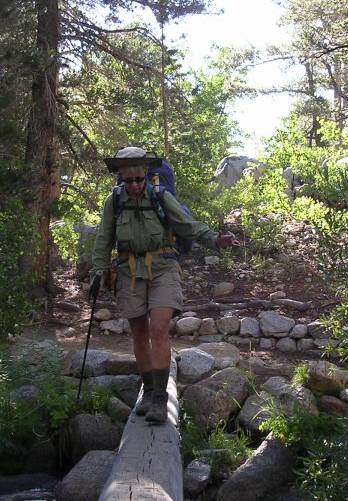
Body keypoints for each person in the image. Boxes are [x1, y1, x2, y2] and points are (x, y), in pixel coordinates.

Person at [89, 146, 240, 424]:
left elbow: (187, 225)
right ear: (121, 178)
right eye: (128, 180)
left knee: (158, 328)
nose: (134, 185)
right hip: (129, 270)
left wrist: (214, 240)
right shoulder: (115, 201)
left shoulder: (160, 196)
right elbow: (103, 238)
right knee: (138, 332)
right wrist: (97, 273)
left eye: (138, 179)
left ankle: (160, 398)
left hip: (163, 267)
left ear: (146, 174)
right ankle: (147, 391)